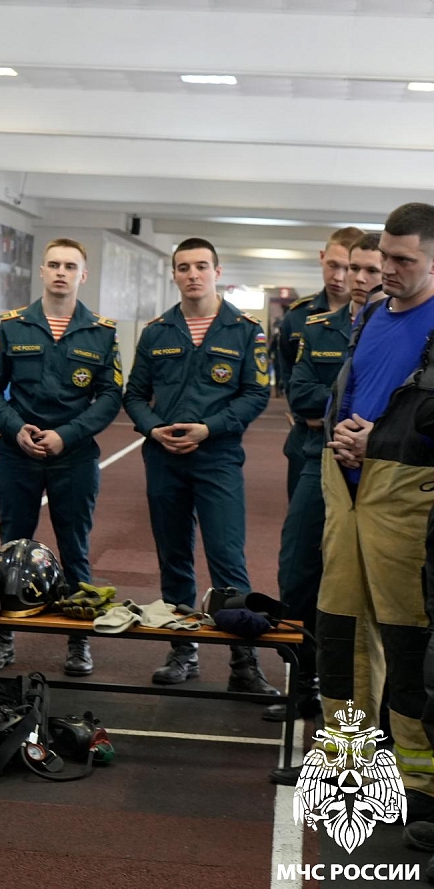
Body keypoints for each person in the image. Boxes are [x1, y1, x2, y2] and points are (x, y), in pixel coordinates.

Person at [271, 205, 434, 812]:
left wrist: (379, 440)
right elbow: (355, 388)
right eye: (383, 256)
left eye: (402, 260)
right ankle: (348, 765)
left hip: (406, 492)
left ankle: (420, 782)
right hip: (344, 485)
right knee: (340, 629)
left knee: (408, 636)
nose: (385, 270)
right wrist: (342, 429)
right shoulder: (369, 316)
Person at [123, 238, 275, 692]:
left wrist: (209, 429)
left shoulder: (245, 330)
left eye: (201, 266)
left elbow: (256, 393)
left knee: (227, 558)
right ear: (174, 274)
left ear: (217, 272)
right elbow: (134, 394)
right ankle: (182, 650)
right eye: (184, 267)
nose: (193, 274)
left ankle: (243, 661)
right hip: (164, 458)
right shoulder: (157, 332)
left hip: (218, 457)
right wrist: (153, 429)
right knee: (173, 557)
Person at [0, 238, 122, 677]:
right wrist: (14, 428)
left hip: (73, 457)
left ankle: (79, 639)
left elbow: (110, 396)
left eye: (70, 266)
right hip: (17, 454)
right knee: (11, 548)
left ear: (83, 275)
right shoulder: (14, 326)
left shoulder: (101, 332)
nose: (61, 272)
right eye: (54, 264)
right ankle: (4, 638)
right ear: (41, 271)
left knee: (75, 548)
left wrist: (66, 435)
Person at [263, 234, 383, 724]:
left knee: (375, 583)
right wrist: (345, 416)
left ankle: (374, 695)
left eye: (371, 270)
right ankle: (304, 680)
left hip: (380, 467)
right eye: (354, 268)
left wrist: (341, 416)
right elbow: (300, 394)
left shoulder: (400, 329)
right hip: (319, 457)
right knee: (298, 571)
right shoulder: (318, 327)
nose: (359, 279)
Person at [276, 228, 364, 498]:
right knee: (301, 519)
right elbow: (290, 380)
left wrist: (333, 409)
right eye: (332, 265)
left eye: (347, 268)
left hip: (357, 440)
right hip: (307, 435)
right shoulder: (298, 316)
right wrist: (306, 411)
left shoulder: (377, 318)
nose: (338, 277)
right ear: (321, 257)